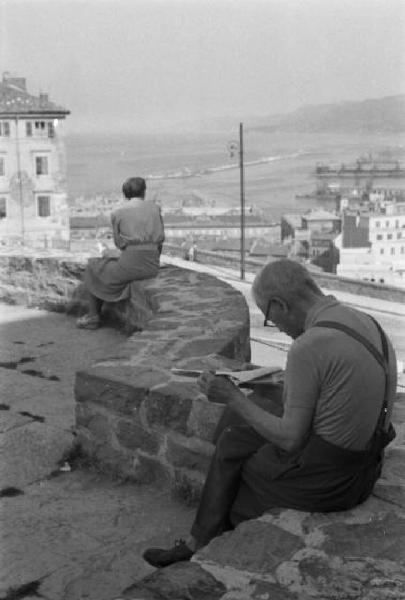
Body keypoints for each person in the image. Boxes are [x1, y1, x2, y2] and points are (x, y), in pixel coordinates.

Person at [143, 259, 397, 568]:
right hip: (366, 468)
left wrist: (233, 398)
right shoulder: (367, 323)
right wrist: (268, 390)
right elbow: (331, 400)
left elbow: (290, 439)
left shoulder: (310, 345)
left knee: (235, 459)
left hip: (332, 485)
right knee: (236, 438)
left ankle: (209, 544)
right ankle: (201, 539)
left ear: (279, 304)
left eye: (269, 317)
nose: (275, 326)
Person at [76, 177, 165, 329]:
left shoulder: (118, 213)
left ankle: (93, 316)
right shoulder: (155, 209)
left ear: (125, 194)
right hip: (152, 266)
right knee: (113, 267)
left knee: (93, 266)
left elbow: (120, 244)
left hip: (130, 265)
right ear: (144, 192)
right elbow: (160, 240)